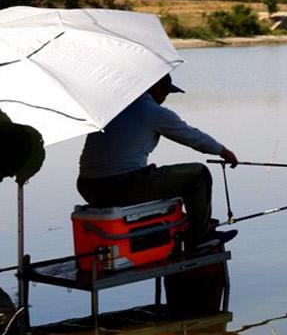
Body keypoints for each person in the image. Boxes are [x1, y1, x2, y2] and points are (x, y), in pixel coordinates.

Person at [77, 74, 239, 247]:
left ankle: (183, 221)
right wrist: (223, 151)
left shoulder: (113, 108)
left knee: (170, 178)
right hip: (120, 186)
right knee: (198, 174)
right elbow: (191, 136)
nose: (164, 97)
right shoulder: (150, 110)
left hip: (88, 188)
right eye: (165, 91)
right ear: (154, 87)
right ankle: (200, 237)